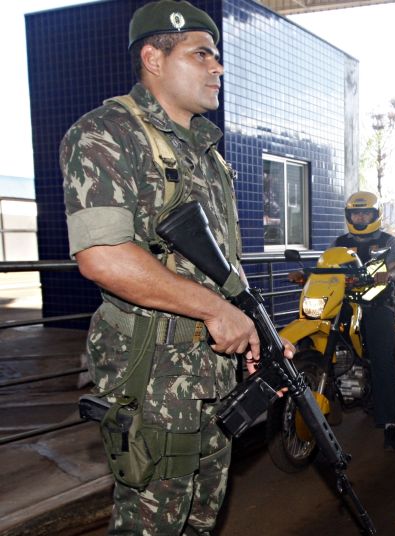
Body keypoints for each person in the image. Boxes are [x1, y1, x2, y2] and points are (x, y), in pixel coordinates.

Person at [60, 2, 293, 533]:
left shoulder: (208, 154)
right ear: (154, 58)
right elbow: (104, 257)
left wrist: (258, 330)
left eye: (217, 56)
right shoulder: (106, 133)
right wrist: (216, 311)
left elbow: (225, 267)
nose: (218, 67)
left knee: (201, 519)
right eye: (201, 54)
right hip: (154, 377)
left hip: (212, 373)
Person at [333, 191, 395, 450]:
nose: (360, 217)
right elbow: (326, 267)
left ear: (375, 215)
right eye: (356, 213)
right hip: (345, 303)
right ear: (349, 216)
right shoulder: (340, 242)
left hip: (378, 303)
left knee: (382, 359)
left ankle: (390, 424)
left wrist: (390, 274)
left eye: (365, 213)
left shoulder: (387, 241)